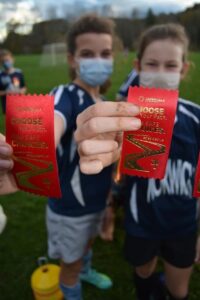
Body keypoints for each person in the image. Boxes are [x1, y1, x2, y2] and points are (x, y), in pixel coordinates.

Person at [0, 14, 141, 300]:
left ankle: (86, 271)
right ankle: (72, 285)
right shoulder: (65, 94)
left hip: (95, 201)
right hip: (69, 208)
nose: (98, 60)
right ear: (72, 59)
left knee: (86, 247)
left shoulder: (103, 102)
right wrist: (31, 146)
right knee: (70, 265)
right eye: (87, 54)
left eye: (104, 53)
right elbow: (52, 121)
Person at [75, 23, 200, 300]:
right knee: (143, 273)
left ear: (184, 69)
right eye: (151, 64)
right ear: (138, 66)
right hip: (141, 222)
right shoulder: (125, 121)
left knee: (179, 291)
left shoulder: (196, 121)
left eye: (170, 66)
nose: (159, 74)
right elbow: (113, 173)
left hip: (184, 225)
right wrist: (110, 203)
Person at [0, 49, 26, 114]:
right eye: (3, 61)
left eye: (7, 60)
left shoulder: (19, 73)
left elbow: (23, 87)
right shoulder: (1, 75)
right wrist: (7, 92)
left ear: (12, 59)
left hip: (19, 102)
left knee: (19, 121)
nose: (6, 63)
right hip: (7, 104)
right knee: (10, 122)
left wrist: (21, 91)